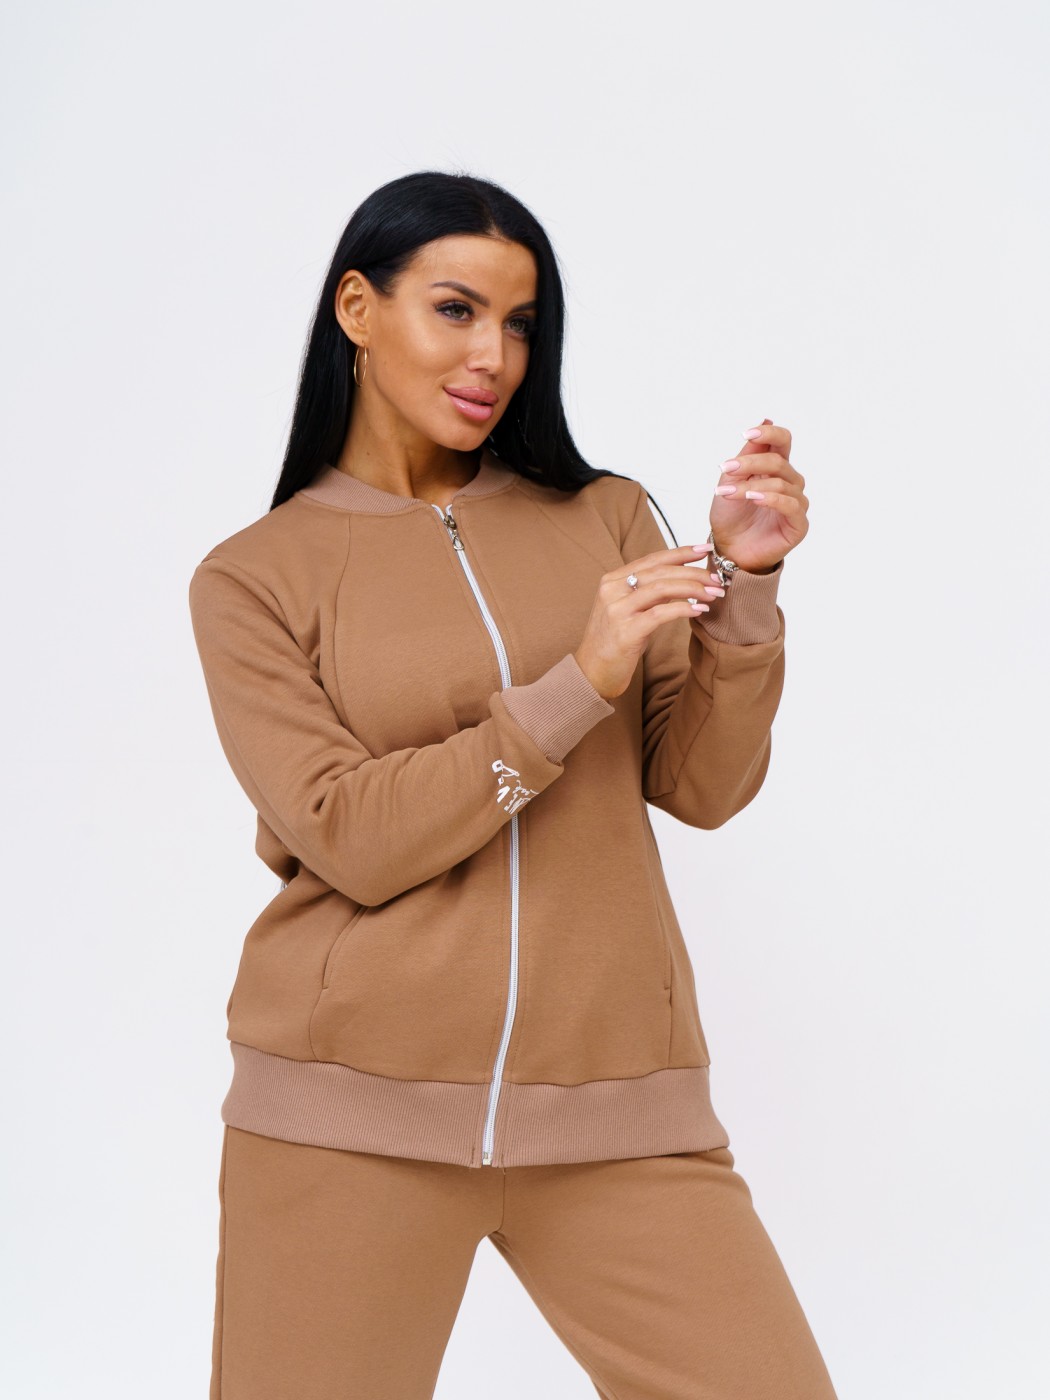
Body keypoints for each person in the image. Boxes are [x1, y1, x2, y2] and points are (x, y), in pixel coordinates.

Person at [188, 169, 836, 1399]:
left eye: (521, 323)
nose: (495, 354)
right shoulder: (254, 578)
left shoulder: (605, 517)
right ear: (358, 308)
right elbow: (348, 832)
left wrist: (747, 592)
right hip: (345, 1122)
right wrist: (576, 680)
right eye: (457, 309)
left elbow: (701, 785)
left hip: (617, 1114)